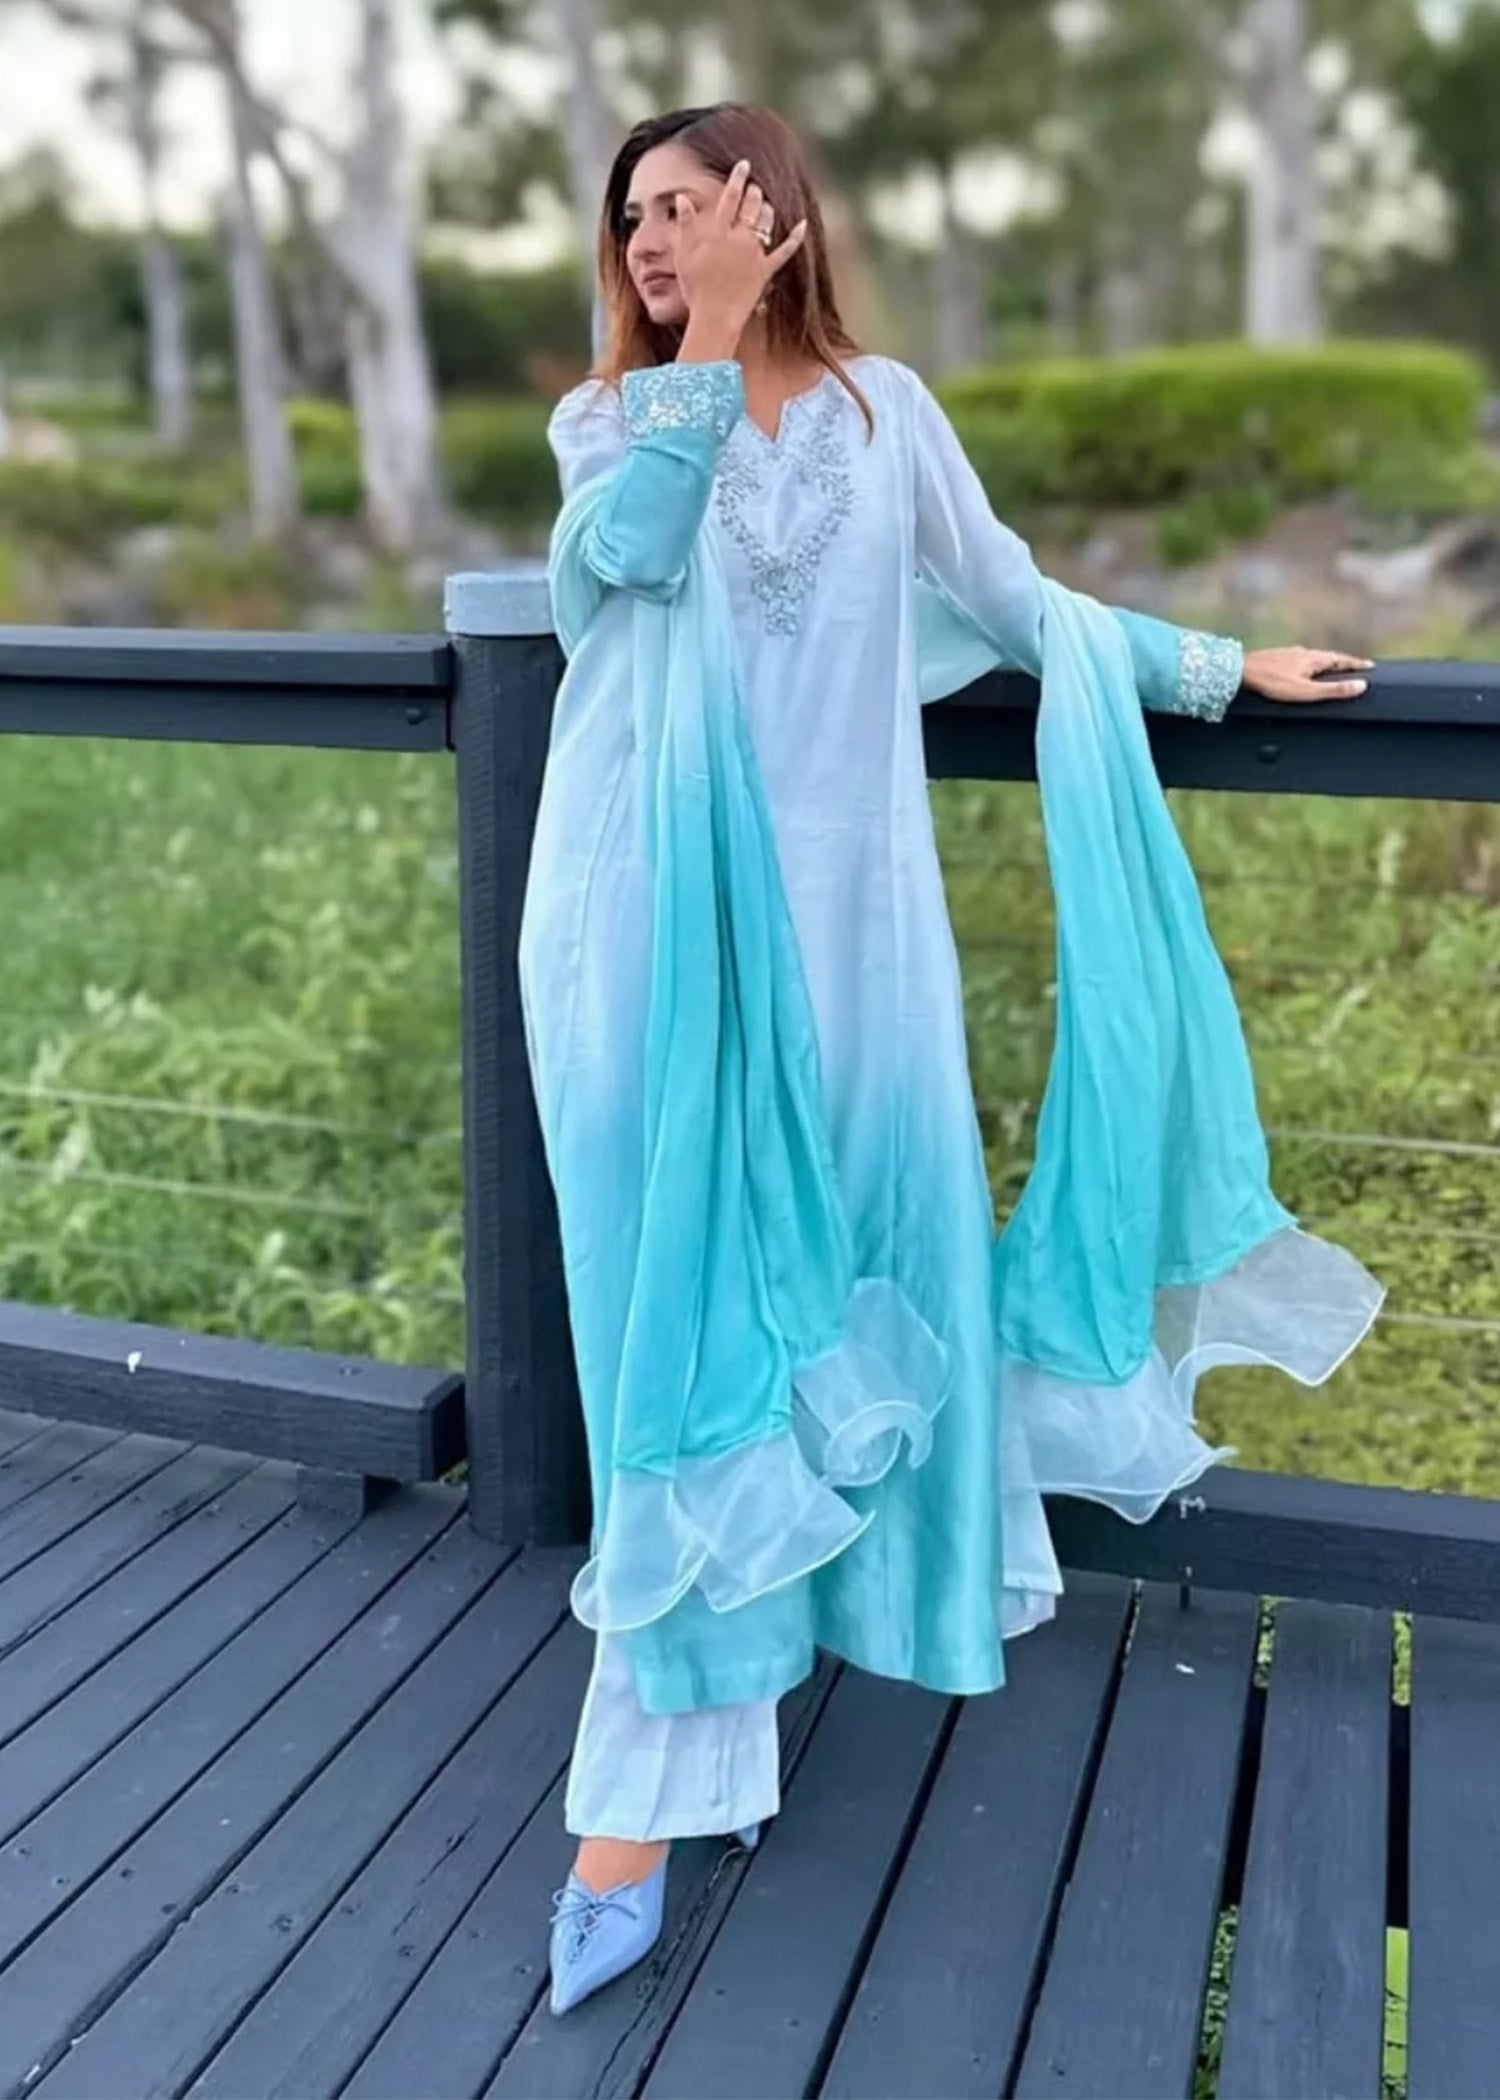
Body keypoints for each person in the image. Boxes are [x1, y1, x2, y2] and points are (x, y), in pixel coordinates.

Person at [524, 101, 1384, 2016]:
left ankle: (748, 1699)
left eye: (691, 205)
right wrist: (701, 347)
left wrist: (1216, 666)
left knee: (847, 1282)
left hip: (859, 938)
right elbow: (627, 563)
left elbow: (1014, 603)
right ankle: (639, 1798)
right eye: (635, 215)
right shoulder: (611, 422)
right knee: (681, 1315)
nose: (654, 238)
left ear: (777, 212)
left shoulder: (886, 414)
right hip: (646, 925)